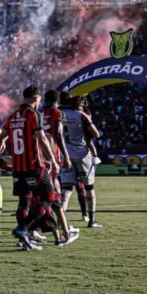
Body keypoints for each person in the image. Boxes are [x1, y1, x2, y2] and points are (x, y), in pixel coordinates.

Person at [0, 85, 60, 251]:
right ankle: (24, 229)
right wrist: (52, 159)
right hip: (34, 166)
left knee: (24, 203)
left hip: (18, 168)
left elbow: (1, 140)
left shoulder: (12, 116)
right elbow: (42, 138)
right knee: (49, 197)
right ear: (36, 98)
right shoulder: (34, 115)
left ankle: (24, 240)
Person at [41, 89, 79, 245]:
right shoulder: (57, 113)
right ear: (58, 101)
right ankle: (63, 232)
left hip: (38, 156)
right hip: (51, 156)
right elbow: (57, 134)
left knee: (40, 193)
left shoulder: (38, 113)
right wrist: (66, 155)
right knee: (53, 194)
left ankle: (35, 231)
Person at [60, 95, 103, 229]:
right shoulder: (82, 115)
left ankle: (60, 221)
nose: (84, 104)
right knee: (89, 187)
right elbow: (96, 134)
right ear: (79, 104)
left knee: (66, 188)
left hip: (66, 154)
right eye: (82, 102)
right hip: (82, 154)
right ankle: (92, 220)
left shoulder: (60, 113)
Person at [59, 91, 88, 221]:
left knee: (64, 186)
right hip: (78, 152)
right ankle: (85, 215)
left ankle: (60, 215)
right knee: (80, 186)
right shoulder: (78, 114)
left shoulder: (58, 112)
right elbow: (92, 133)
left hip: (61, 153)